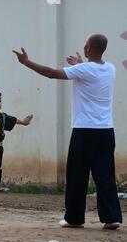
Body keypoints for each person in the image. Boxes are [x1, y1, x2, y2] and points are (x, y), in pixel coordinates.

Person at [13, 34, 123, 230]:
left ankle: (74, 218)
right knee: (105, 176)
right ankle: (112, 217)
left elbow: (51, 73)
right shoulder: (110, 69)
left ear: (88, 48)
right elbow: (90, 72)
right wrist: (80, 63)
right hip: (106, 131)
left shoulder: (84, 70)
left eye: (85, 45)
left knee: (77, 176)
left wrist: (26, 62)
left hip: (84, 131)